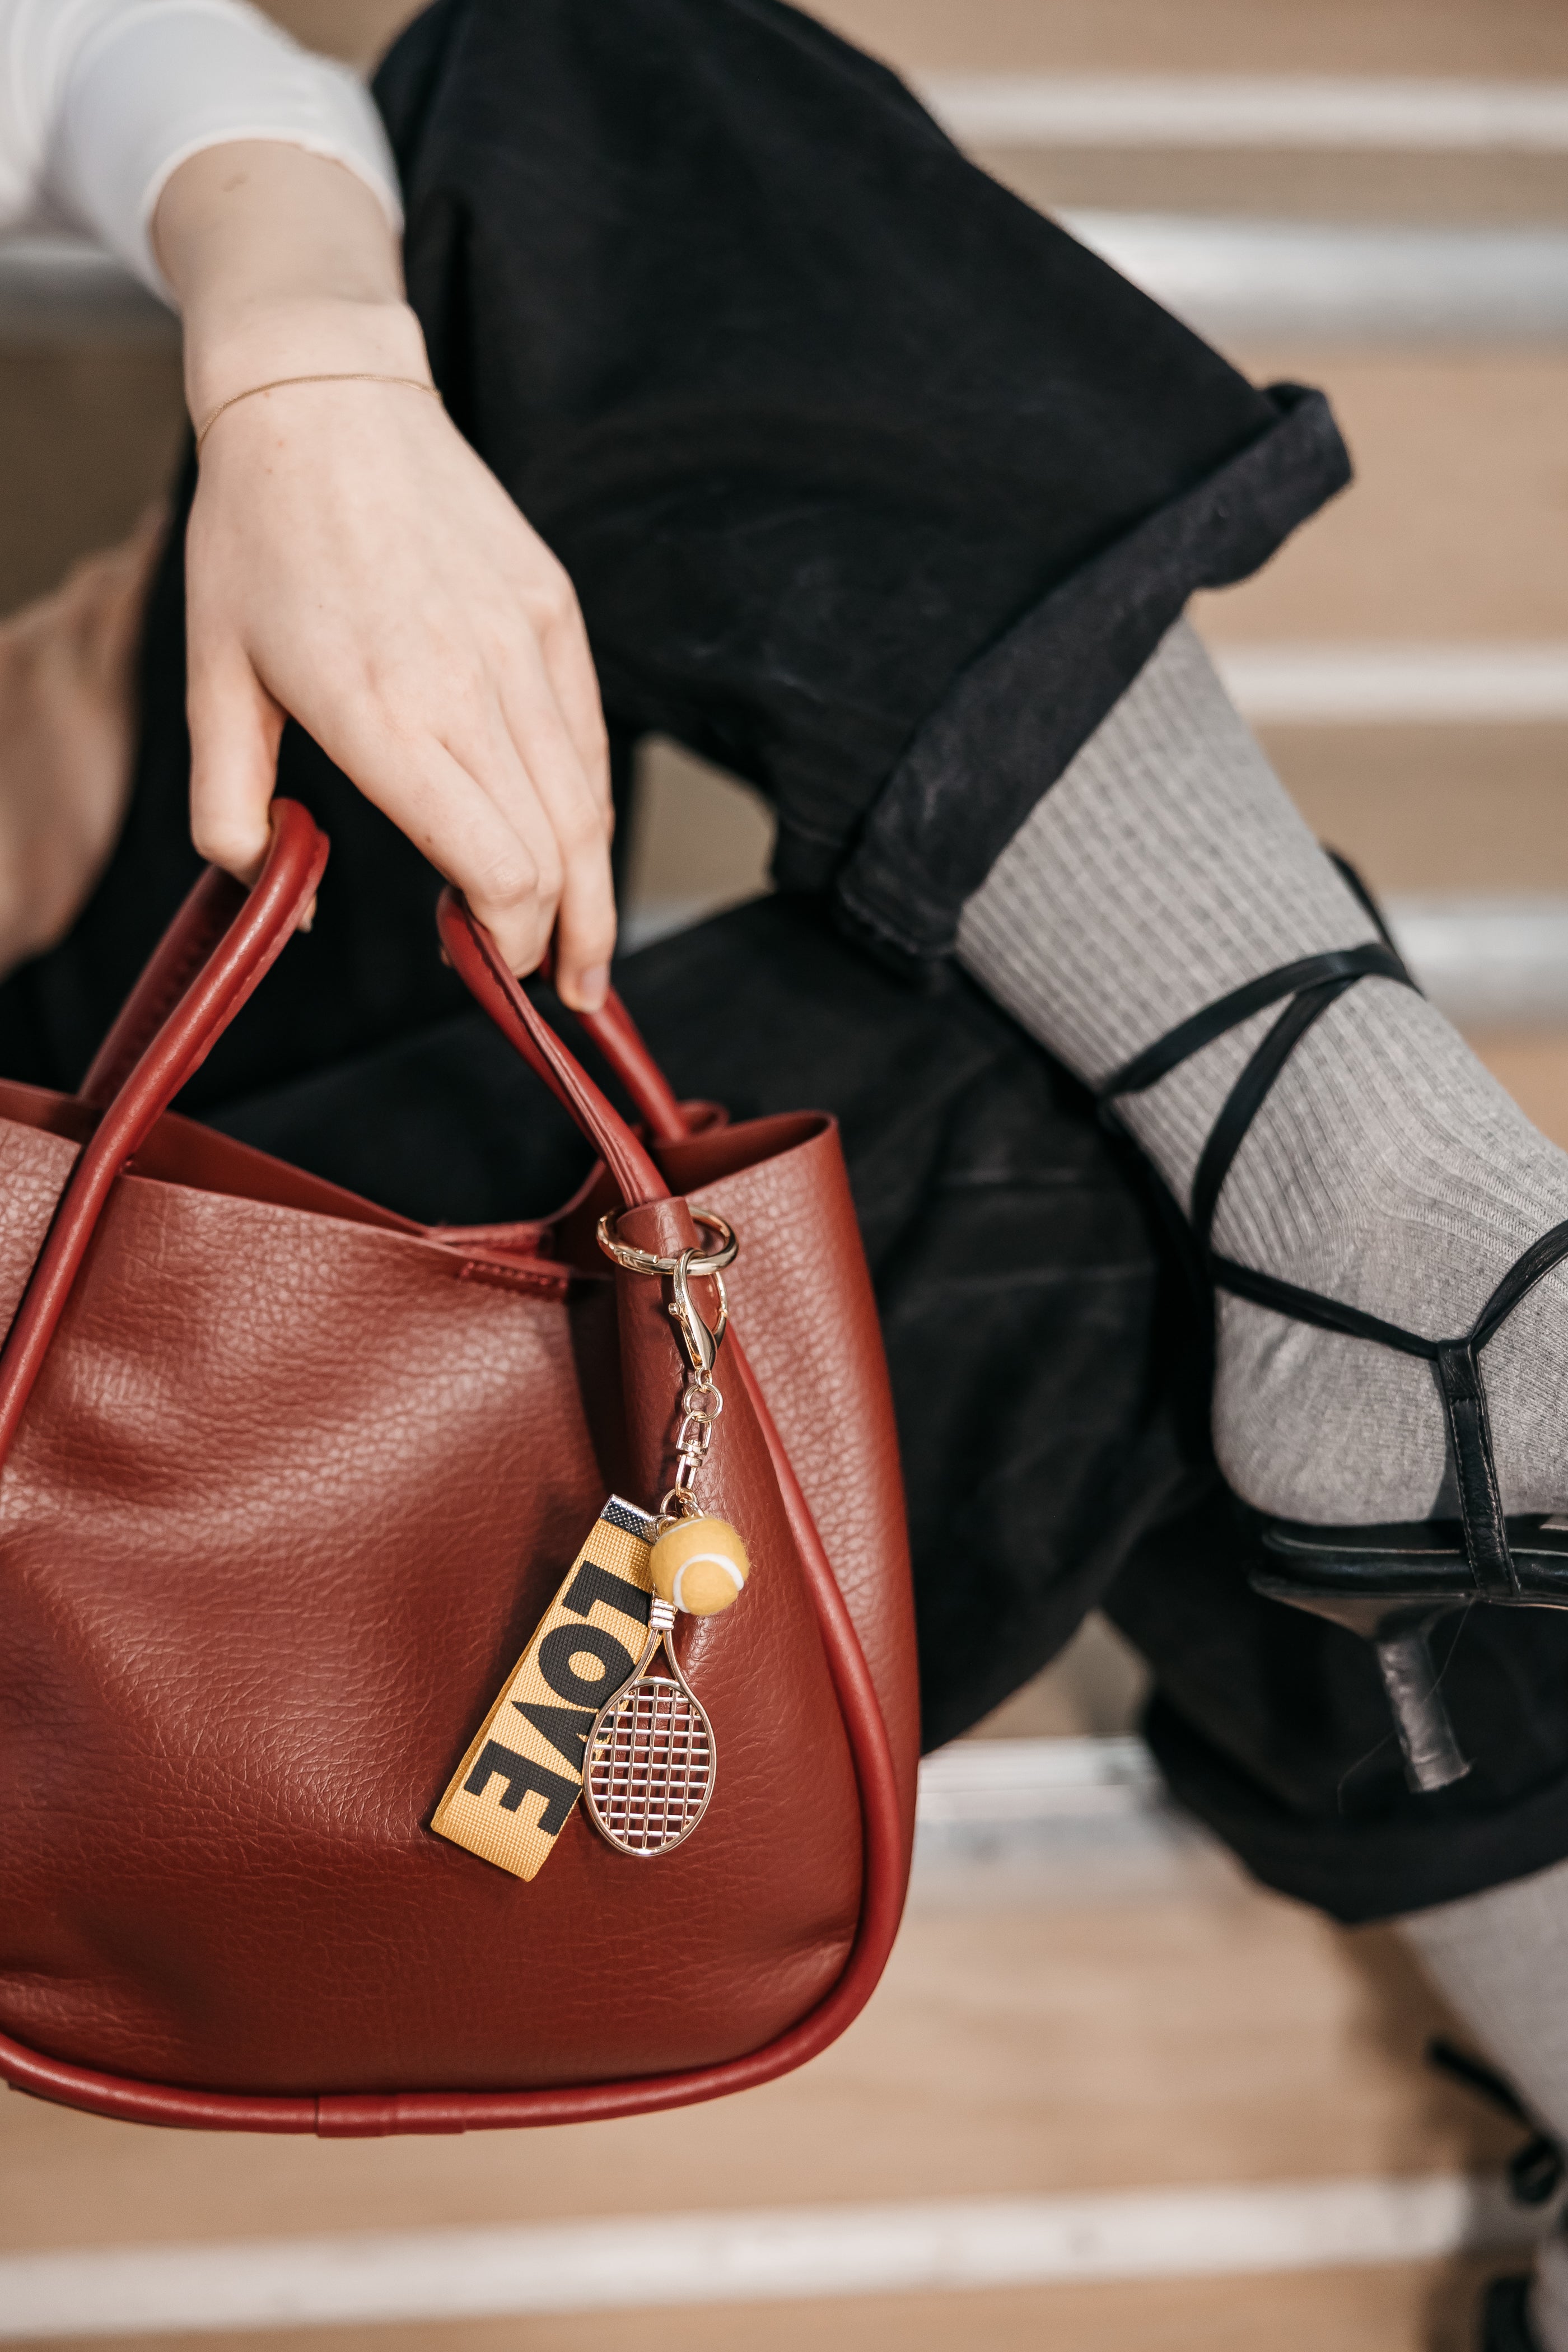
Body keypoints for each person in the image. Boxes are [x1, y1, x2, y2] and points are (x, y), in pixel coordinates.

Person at [0, 4, 1564, 2344]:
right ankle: (1424, 1287)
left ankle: (1401, 1237)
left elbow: (109, 65)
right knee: (1120, 1105)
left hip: (88, 961)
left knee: (553, 86)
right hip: (98, 1603)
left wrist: (310, 389)